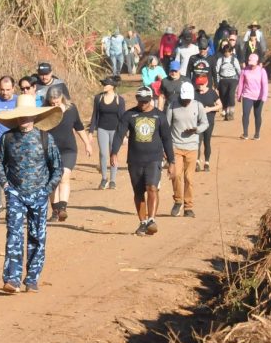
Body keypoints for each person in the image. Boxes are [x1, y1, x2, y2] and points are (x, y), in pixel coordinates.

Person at [0, 95, 63, 293]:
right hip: (15, 194)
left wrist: (47, 190)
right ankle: (12, 279)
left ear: (34, 117)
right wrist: (5, 185)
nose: (25, 119)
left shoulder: (45, 138)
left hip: (39, 194)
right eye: (21, 116)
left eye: (28, 116)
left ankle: (32, 278)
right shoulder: (7, 138)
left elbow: (57, 168)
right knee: (14, 234)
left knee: (37, 237)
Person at [111, 87, 175, 236]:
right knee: (138, 192)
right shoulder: (129, 115)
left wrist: (171, 161)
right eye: (141, 101)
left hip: (154, 159)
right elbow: (119, 134)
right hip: (135, 160)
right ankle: (143, 222)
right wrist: (114, 152)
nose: (143, 104)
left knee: (152, 187)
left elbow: (167, 138)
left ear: (151, 99)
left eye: (146, 101)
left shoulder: (159, 116)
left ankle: (151, 220)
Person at [46, 86, 92, 222]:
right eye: (52, 103)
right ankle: (55, 211)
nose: (54, 105)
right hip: (50, 150)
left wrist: (87, 144)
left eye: (57, 103)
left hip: (68, 149)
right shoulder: (44, 111)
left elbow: (79, 127)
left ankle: (63, 208)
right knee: (52, 181)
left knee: (64, 176)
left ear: (62, 99)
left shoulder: (71, 109)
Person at [166, 82, 208, 218]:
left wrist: (197, 129)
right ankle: (178, 201)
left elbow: (205, 123)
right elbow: (166, 127)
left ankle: (188, 207)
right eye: (184, 99)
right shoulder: (172, 106)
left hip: (192, 147)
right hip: (175, 145)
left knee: (189, 178)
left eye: (188, 99)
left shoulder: (198, 105)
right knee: (176, 175)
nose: (186, 101)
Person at [89, 75, 126, 191]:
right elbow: (94, 115)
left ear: (112, 86)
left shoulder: (119, 100)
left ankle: (113, 180)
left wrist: (124, 134)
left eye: (106, 84)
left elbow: (122, 118)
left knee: (113, 154)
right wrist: (90, 131)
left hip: (115, 130)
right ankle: (104, 178)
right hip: (102, 129)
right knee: (103, 154)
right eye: (103, 84)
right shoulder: (98, 98)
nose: (103, 86)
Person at [237, 52, 270, 140]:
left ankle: (257, 134)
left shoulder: (262, 71)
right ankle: (245, 133)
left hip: (259, 97)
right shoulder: (244, 70)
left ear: (257, 62)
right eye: (250, 63)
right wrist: (239, 95)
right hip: (247, 95)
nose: (252, 66)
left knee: (257, 114)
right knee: (245, 114)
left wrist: (264, 96)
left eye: (254, 64)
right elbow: (241, 84)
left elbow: (265, 84)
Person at [194, 75, 221, 172]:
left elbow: (219, 105)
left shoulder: (212, 92)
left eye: (202, 84)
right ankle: (196, 162)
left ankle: (206, 162)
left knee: (207, 141)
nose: (200, 86)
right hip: (197, 121)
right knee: (197, 141)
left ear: (206, 83)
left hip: (209, 121)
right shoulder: (194, 93)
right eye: (198, 84)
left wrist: (209, 109)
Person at [214, 42, 242, 121]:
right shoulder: (220, 60)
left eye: (228, 51)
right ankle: (226, 112)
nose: (227, 53)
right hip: (223, 80)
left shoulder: (234, 59)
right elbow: (216, 71)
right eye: (225, 51)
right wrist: (216, 81)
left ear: (231, 52)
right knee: (223, 96)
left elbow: (238, 70)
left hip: (233, 79)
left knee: (231, 95)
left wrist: (242, 79)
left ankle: (231, 112)